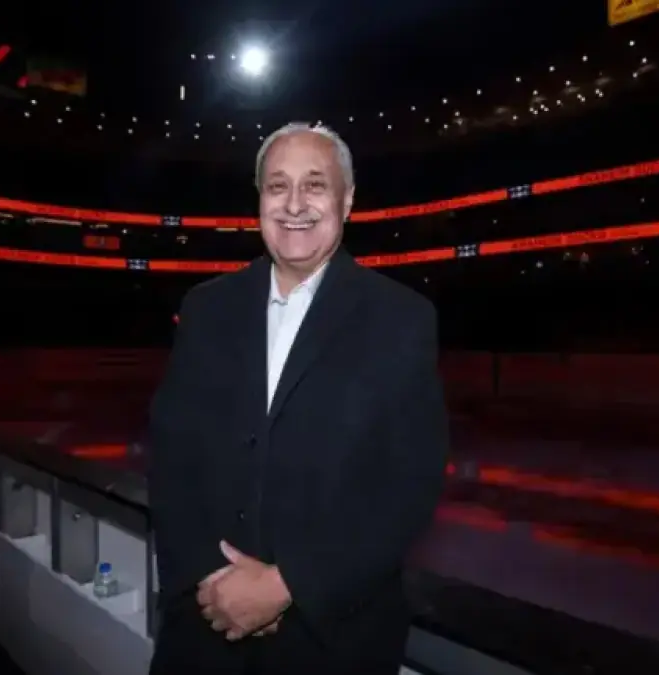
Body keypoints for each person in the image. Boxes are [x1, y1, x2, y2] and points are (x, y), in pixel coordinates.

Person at [147, 122, 449, 674]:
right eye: (277, 186)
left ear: (347, 199)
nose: (293, 205)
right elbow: (171, 460)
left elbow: (409, 487)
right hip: (204, 632)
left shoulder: (401, 319)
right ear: (259, 199)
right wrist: (212, 587)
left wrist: (289, 587)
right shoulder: (205, 309)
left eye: (314, 185)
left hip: (331, 645)